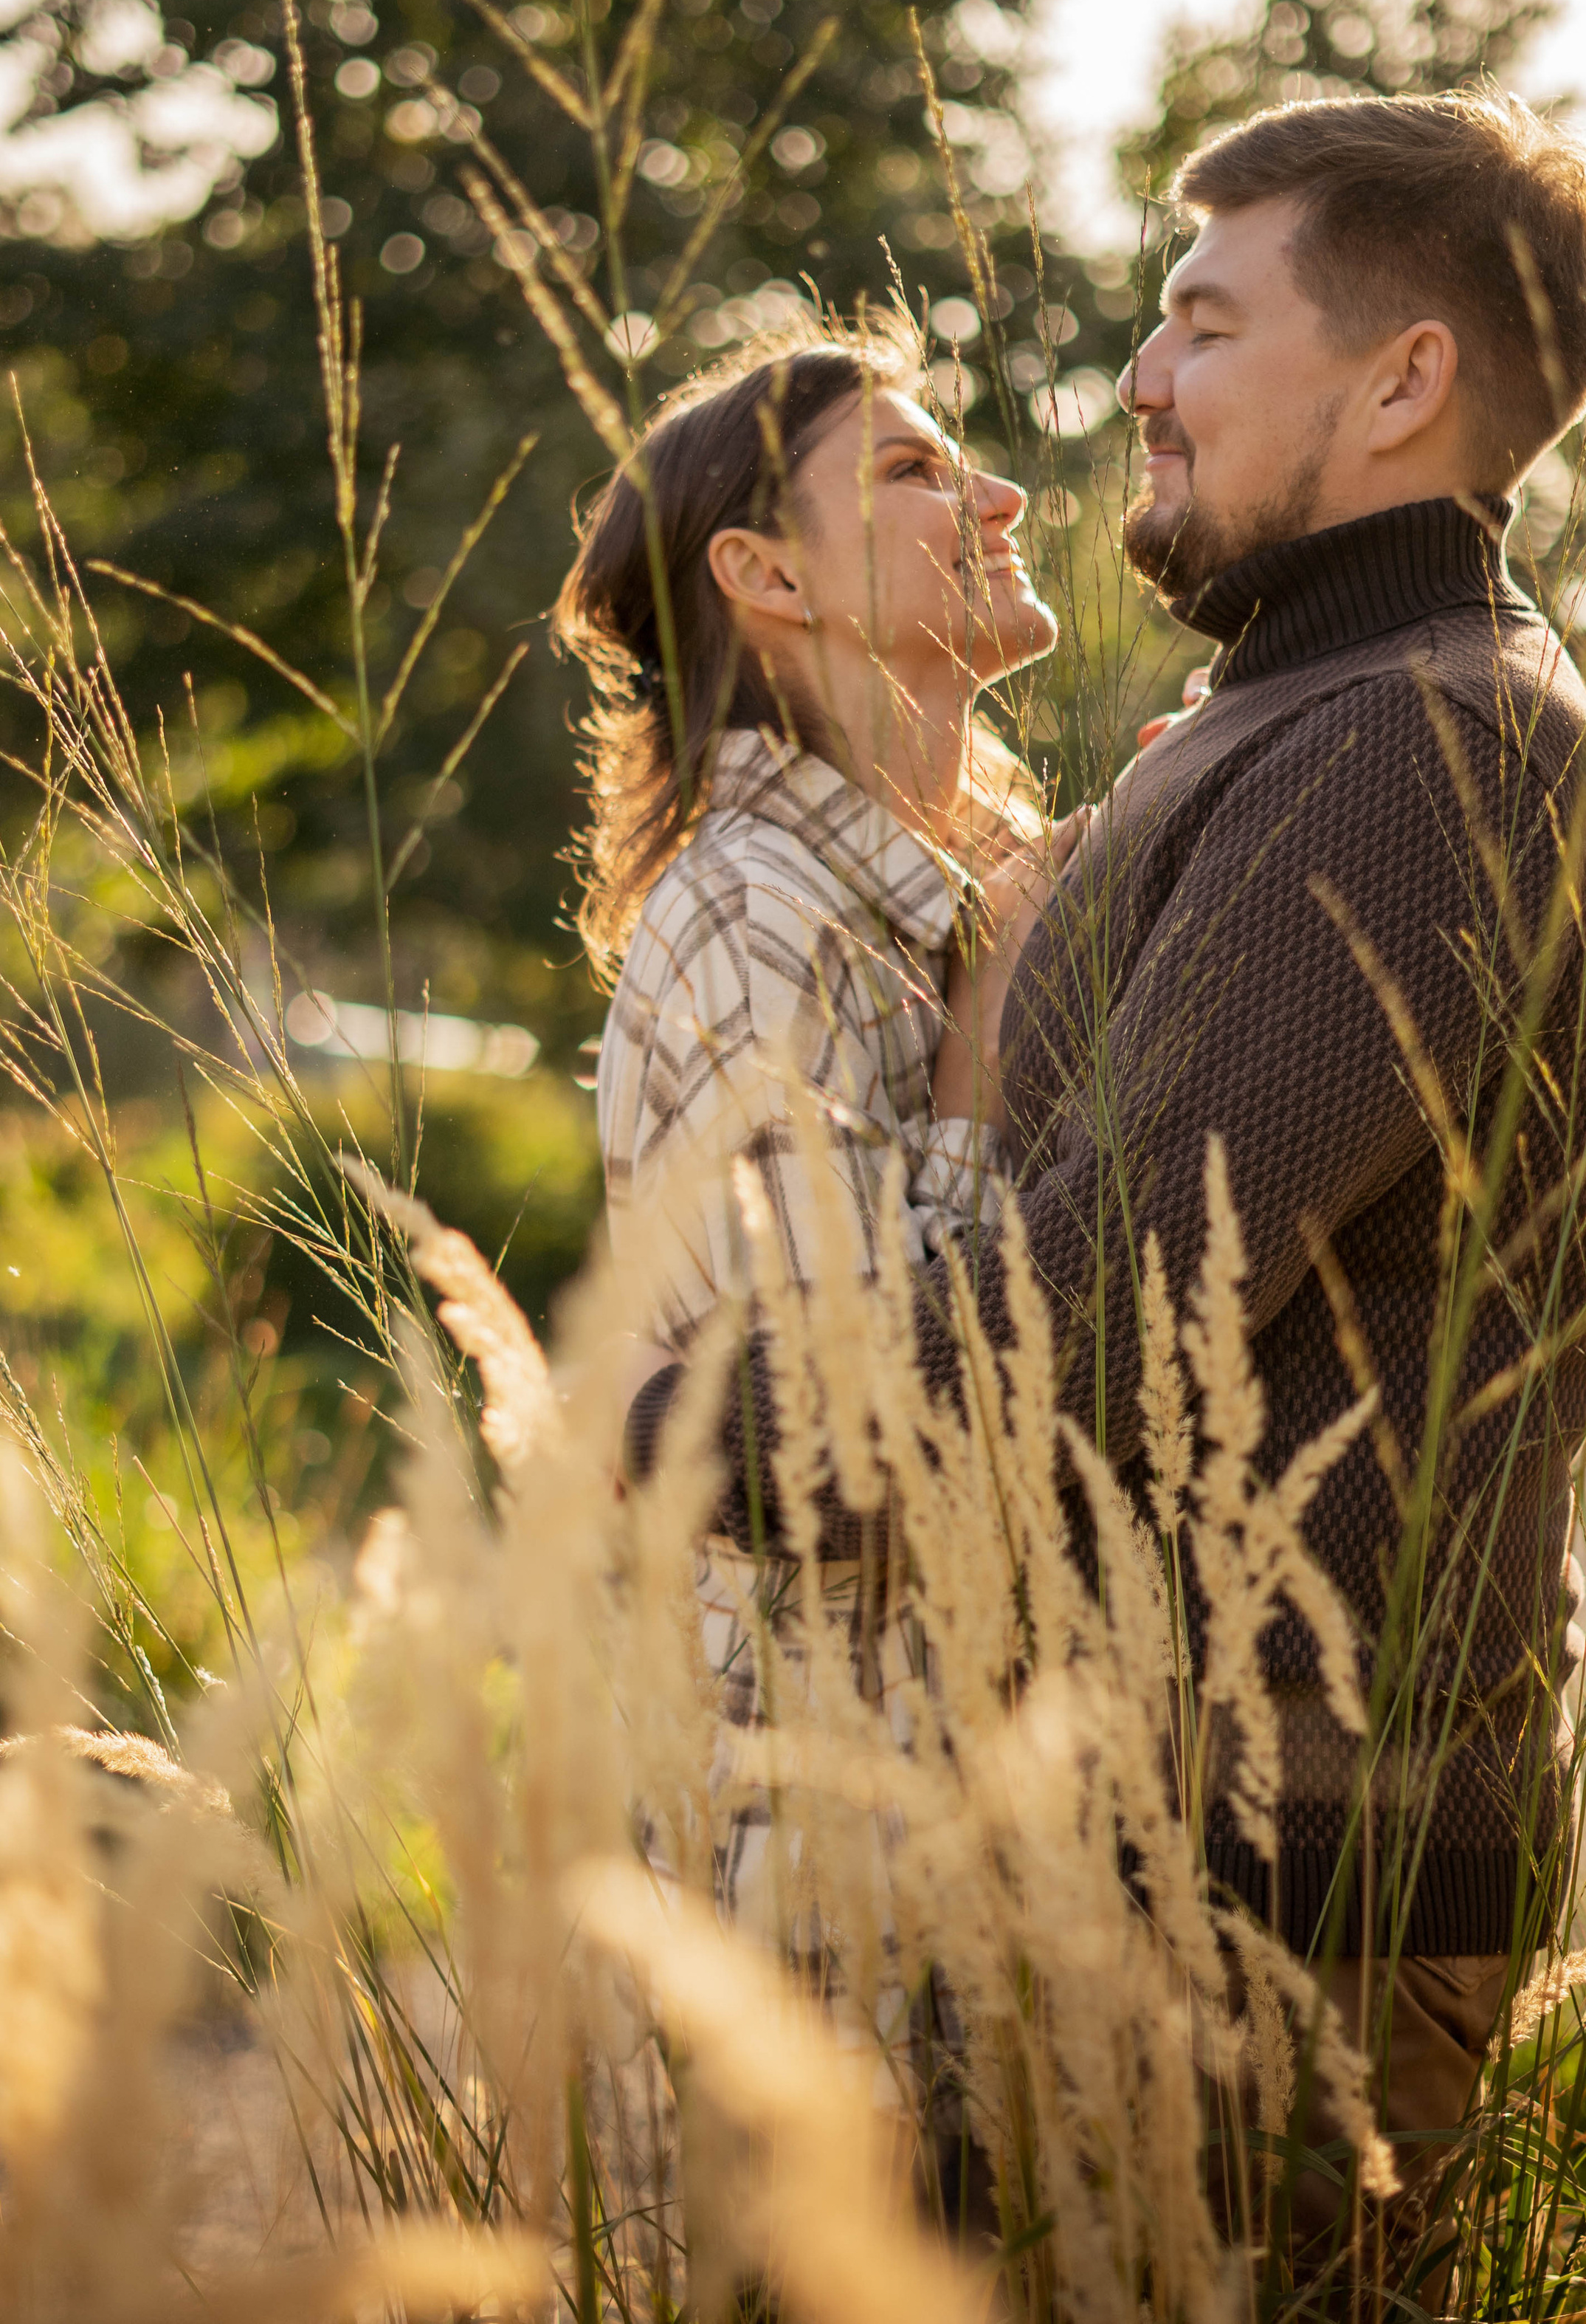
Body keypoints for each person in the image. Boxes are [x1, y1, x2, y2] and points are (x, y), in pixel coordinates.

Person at [621, 89, 1586, 2303]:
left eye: (1204, 323)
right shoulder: (1315, 715)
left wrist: (651, 1431)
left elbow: (1101, 1312)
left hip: (1280, 1899)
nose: (1134, 380)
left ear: (1402, 380)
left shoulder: (1432, 742)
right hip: (1158, 1873)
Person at [554, 309, 1063, 2212]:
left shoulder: (957, 886)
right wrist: (989, 1051)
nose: (1006, 492)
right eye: (921, 469)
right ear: (763, 578)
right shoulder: (763, 919)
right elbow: (850, 1438)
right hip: (838, 1849)